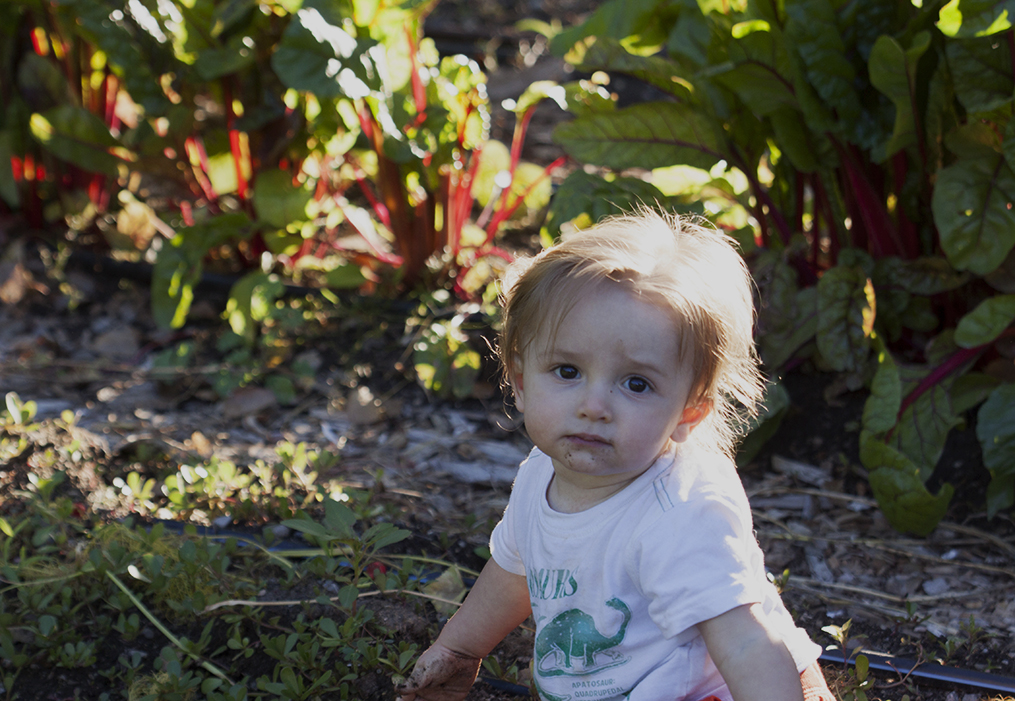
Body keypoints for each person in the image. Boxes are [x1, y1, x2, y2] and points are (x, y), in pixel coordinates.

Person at [395, 210, 833, 701]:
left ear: (689, 411)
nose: (594, 407)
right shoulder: (540, 474)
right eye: (566, 371)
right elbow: (514, 572)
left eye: (636, 384)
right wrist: (458, 649)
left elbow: (749, 645)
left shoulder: (681, 514)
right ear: (519, 381)